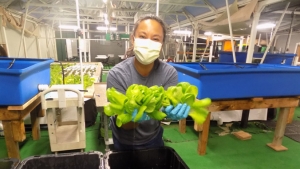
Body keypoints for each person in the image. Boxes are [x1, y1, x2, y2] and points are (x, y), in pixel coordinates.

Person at [106, 15, 190, 151]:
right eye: (143, 37)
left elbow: (165, 108)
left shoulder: (169, 73)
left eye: (155, 39)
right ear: (133, 39)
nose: (148, 43)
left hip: (153, 137)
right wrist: (132, 116)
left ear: (161, 45)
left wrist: (170, 112)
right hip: (122, 139)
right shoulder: (117, 74)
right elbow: (123, 123)